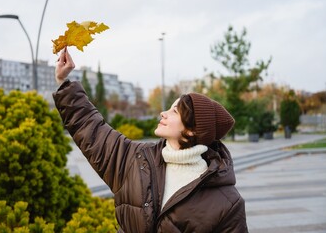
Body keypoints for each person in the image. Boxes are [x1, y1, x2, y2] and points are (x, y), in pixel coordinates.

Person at [53, 47, 248, 233]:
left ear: (191, 131)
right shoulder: (136, 160)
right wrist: (64, 83)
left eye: (174, 111)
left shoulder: (228, 203)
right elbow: (93, 131)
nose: (163, 113)